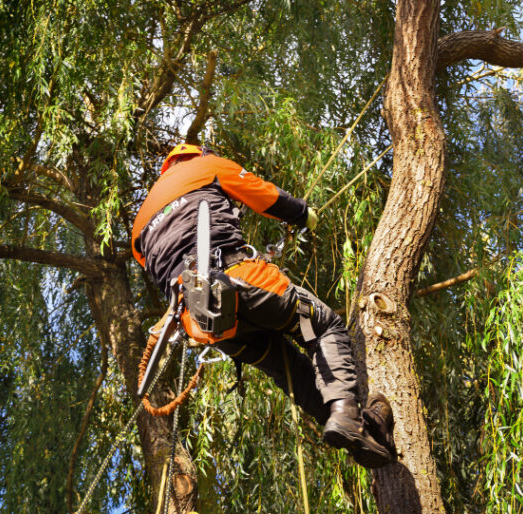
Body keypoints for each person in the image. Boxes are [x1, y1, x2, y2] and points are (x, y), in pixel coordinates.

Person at [130, 143, 396, 469]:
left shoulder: (138, 227)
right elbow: (264, 196)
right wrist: (302, 213)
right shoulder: (206, 166)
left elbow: (158, 269)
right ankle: (345, 413)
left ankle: (362, 434)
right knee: (322, 325)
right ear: (197, 155)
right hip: (240, 281)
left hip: (208, 324)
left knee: (290, 369)